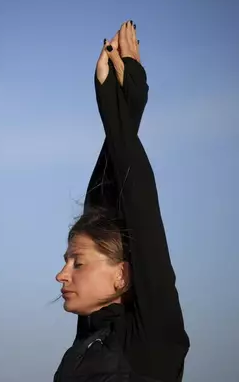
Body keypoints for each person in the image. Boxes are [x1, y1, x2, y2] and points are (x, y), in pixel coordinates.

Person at [53, 20, 190, 382]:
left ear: (123, 274)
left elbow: (140, 206)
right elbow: (102, 204)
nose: (61, 274)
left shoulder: (151, 343)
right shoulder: (89, 341)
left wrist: (117, 114)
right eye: (69, 262)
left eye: (77, 263)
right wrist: (125, 110)